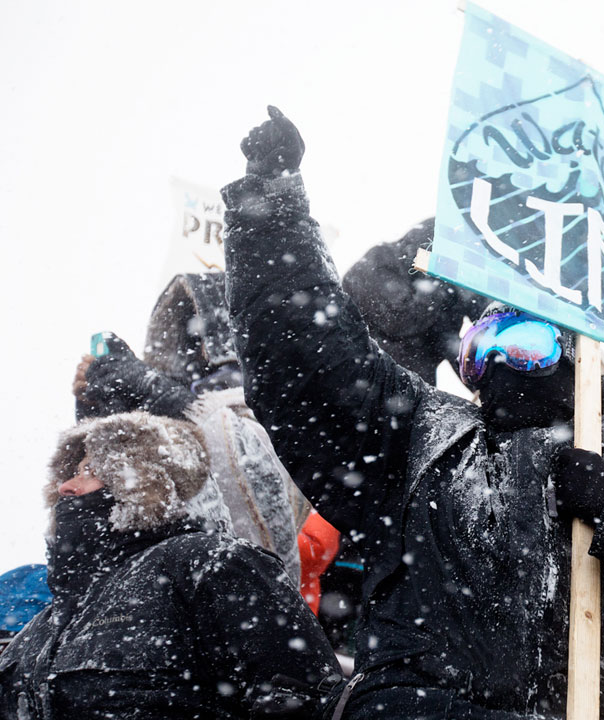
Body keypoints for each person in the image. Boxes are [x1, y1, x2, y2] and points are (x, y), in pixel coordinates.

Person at [219, 105, 604, 720]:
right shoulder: (420, 447)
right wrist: (272, 211)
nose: (504, 361)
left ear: (576, 355)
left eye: (527, 344)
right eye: (483, 349)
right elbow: (309, 363)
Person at [0, 410, 340, 719]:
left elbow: (305, 697)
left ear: (142, 480)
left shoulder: (208, 564)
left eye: (89, 470)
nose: (65, 486)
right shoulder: (40, 629)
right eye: (72, 473)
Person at [73, 271, 307, 586]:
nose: (192, 351)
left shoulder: (289, 418)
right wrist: (100, 417)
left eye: (200, 339)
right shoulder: (166, 428)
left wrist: (159, 393)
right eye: (186, 339)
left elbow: (259, 502)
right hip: (163, 605)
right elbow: (106, 533)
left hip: (234, 606)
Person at [341, 217, 484, 385]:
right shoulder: (377, 262)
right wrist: (440, 288)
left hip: (413, 387)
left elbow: (448, 340)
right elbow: (399, 318)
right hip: (369, 381)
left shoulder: (442, 283)